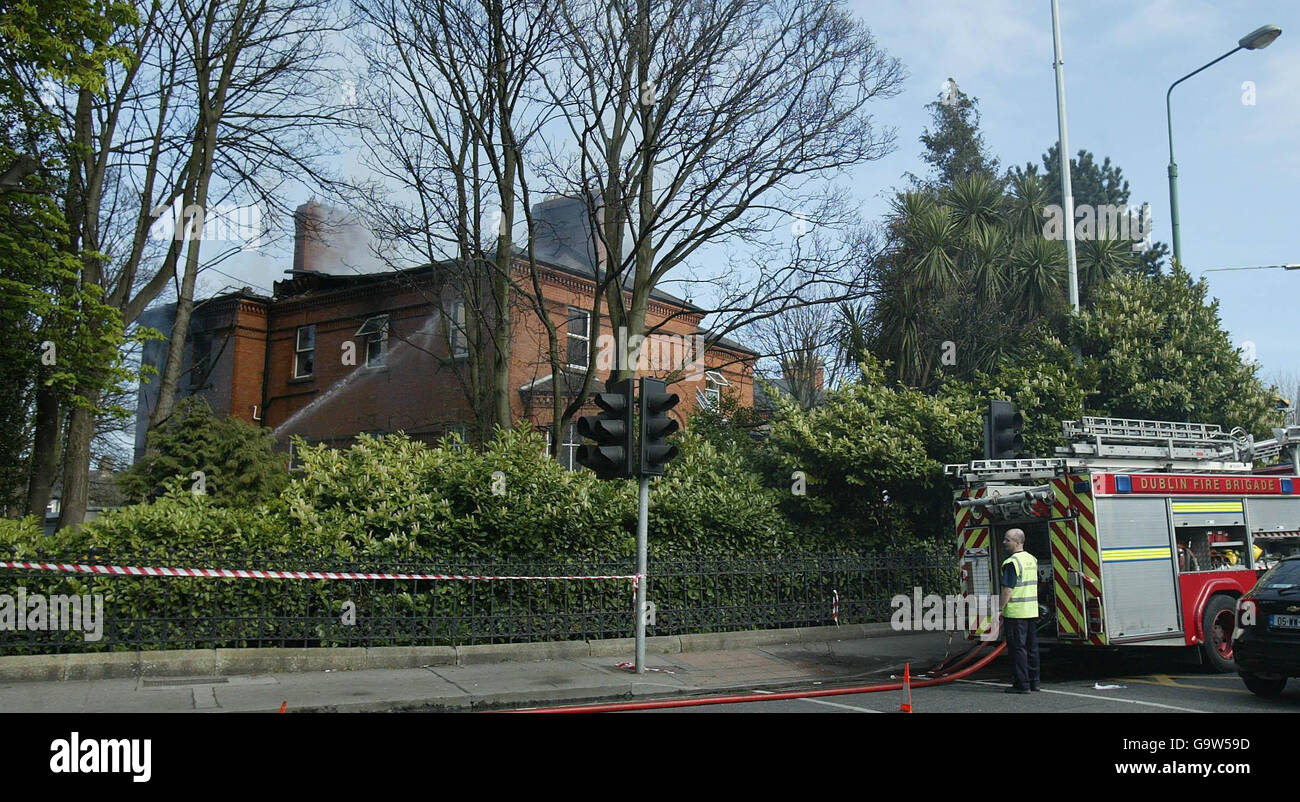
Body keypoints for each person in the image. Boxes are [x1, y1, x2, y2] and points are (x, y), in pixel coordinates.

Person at [999, 528, 1040, 694]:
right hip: (1031, 611)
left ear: (1017, 542)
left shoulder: (1012, 562)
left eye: (1007, 540)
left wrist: (1000, 609)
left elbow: (1008, 589)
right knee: (1032, 649)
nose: (1004, 542)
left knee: (1018, 649)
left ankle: (1022, 685)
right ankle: (1034, 682)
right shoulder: (1032, 559)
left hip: (1016, 613)